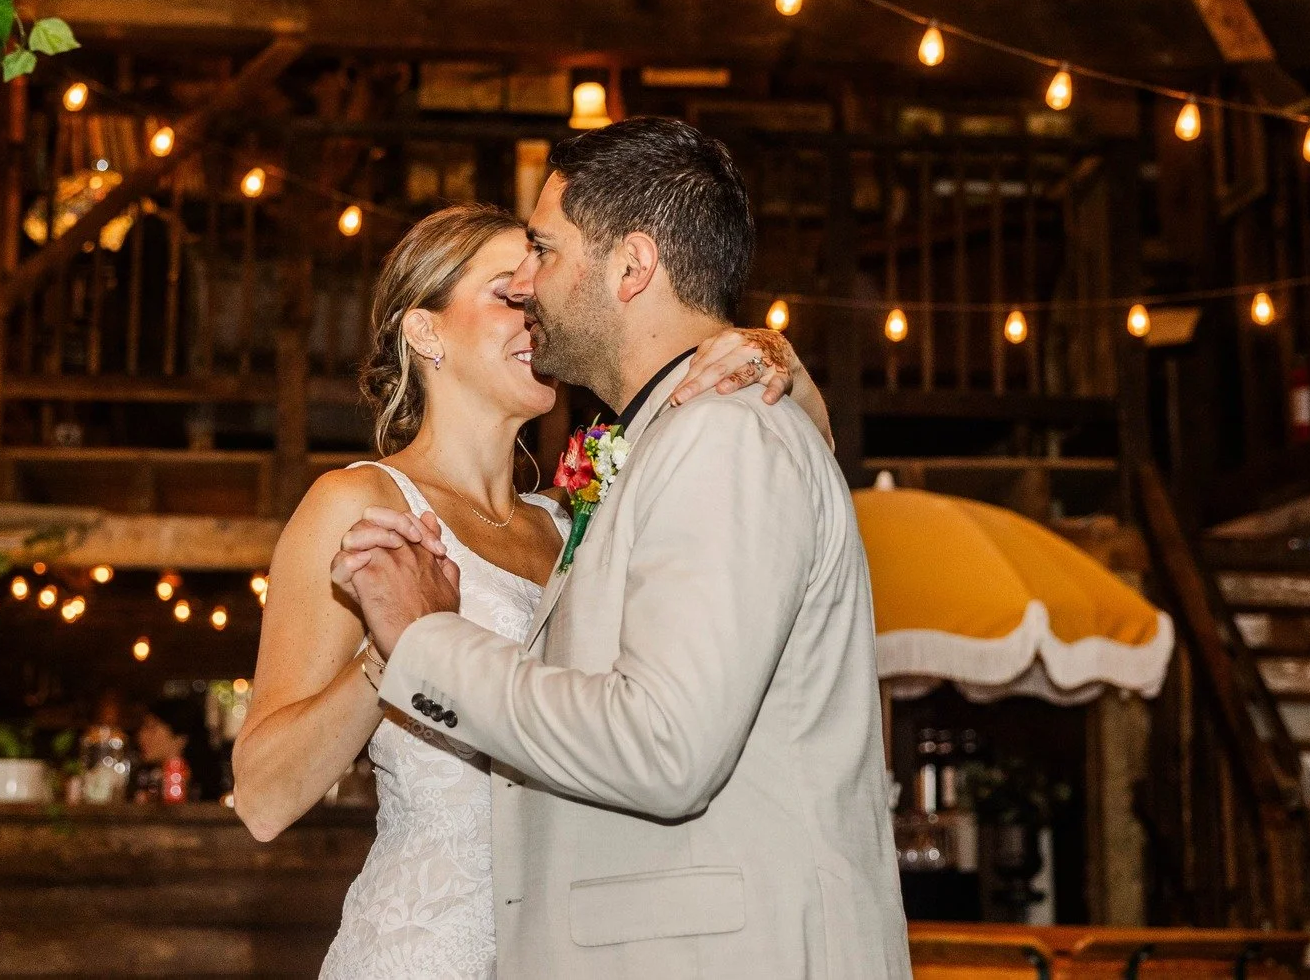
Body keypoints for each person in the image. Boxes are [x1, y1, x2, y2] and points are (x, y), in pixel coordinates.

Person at [334, 118, 909, 979]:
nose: (525, 283)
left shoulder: (724, 437)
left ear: (632, 266)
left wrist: (428, 642)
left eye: (542, 250)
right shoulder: (672, 437)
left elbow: (666, 745)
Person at [231, 197, 829, 979]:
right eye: (509, 295)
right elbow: (264, 797)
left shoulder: (572, 525)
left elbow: (774, 529)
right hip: (424, 951)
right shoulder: (358, 505)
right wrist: (394, 652)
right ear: (426, 331)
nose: (535, 309)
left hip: (570, 950)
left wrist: (786, 374)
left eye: (538, 288)